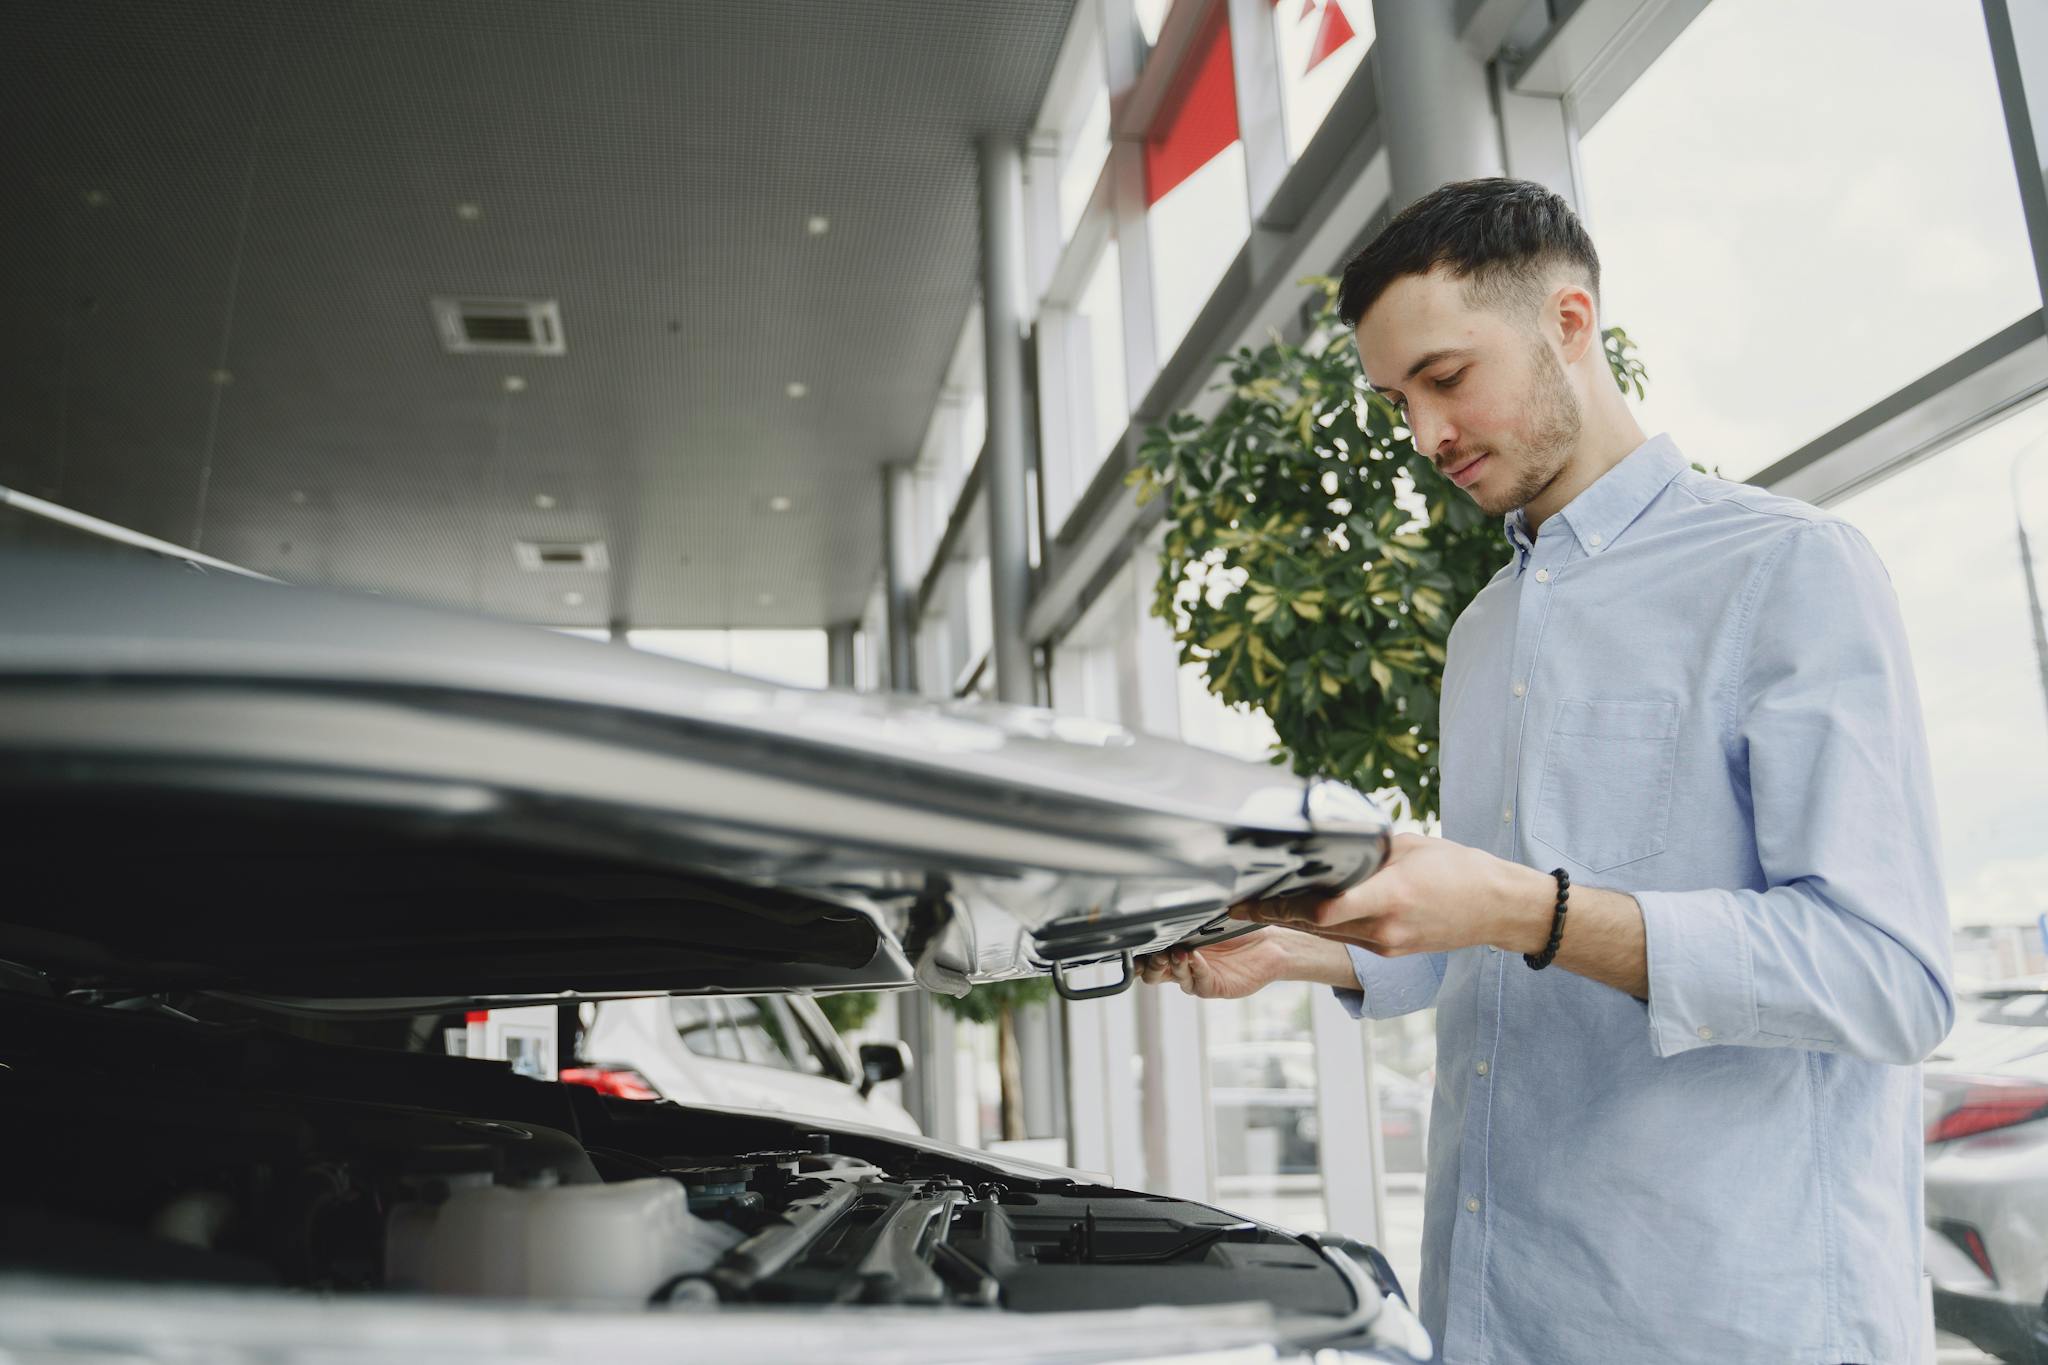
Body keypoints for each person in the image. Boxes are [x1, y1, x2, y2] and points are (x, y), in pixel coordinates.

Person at [1138, 177, 1952, 1365]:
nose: (1424, 437)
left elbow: (1887, 981)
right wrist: (1305, 948)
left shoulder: (1787, 569)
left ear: (1567, 324)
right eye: (1396, 401)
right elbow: (1514, 956)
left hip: (1722, 1319)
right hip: (1496, 1305)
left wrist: (1521, 906)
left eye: (1446, 378)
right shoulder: (1482, 633)